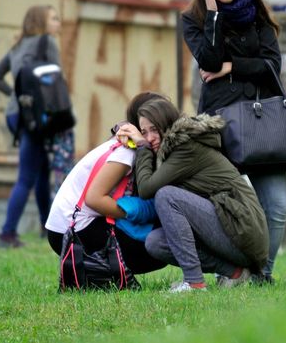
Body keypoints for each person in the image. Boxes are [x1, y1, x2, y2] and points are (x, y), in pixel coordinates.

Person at [181, 0, 286, 283]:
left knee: (277, 205)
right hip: (220, 125)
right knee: (222, 206)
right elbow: (209, 60)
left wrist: (232, 66)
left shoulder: (258, 16)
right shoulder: (193, 19)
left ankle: (262, 274)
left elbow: (272, 66)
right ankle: (229, 272)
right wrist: (213, 14)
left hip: (261, 122)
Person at [115, 98, 269, 292]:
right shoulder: (171, 150)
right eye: (144, 132)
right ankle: (235, 272)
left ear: (167, 123)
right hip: (229, 228)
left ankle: (194, 283)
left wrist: (142, 146)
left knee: (167, 196)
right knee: (156, 242)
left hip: (242, 230)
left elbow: (146, 189)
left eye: (154, 129)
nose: (150, 138)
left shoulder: (186, 147)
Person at [44, 95, 168, 276]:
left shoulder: (129, 146)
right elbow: (94, 199)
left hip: (69, 226)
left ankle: (98, 274)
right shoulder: (126, 152)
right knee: (155, 250)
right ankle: (100, 272)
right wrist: (133, 213)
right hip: (69, 231)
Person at [0, 5, 68, 248]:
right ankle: (7, 233)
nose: (58, 23)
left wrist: (16, 95)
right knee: (26, 176)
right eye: (54, 18)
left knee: (40, 169)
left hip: (16, 115)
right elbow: (55, 82)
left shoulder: (17, 46)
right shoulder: (48, 43)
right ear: (41, 22)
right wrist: (61, 118)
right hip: (37, 117)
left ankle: (47, 227)